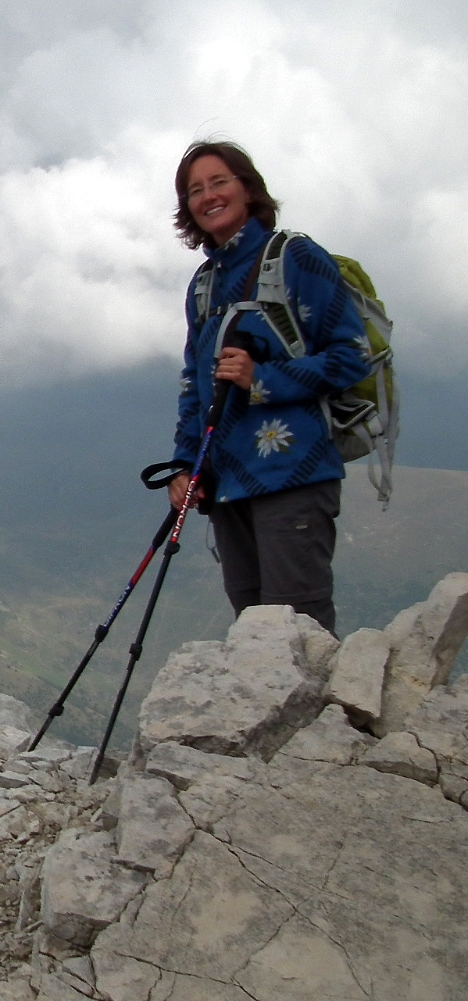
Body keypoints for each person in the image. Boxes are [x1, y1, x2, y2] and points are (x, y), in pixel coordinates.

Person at [168, 141, 369, 634]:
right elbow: (196, 383)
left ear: (247, 189)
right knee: (255, 637)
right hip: (228, 485)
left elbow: (352, 356)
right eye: (195, 190)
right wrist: (184, 465)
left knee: (298, 635)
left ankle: (325, 715)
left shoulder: (297, 257)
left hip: (294, 477)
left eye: (219, 182)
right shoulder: (204, 283)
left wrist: (264, 380)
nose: (208, 196)